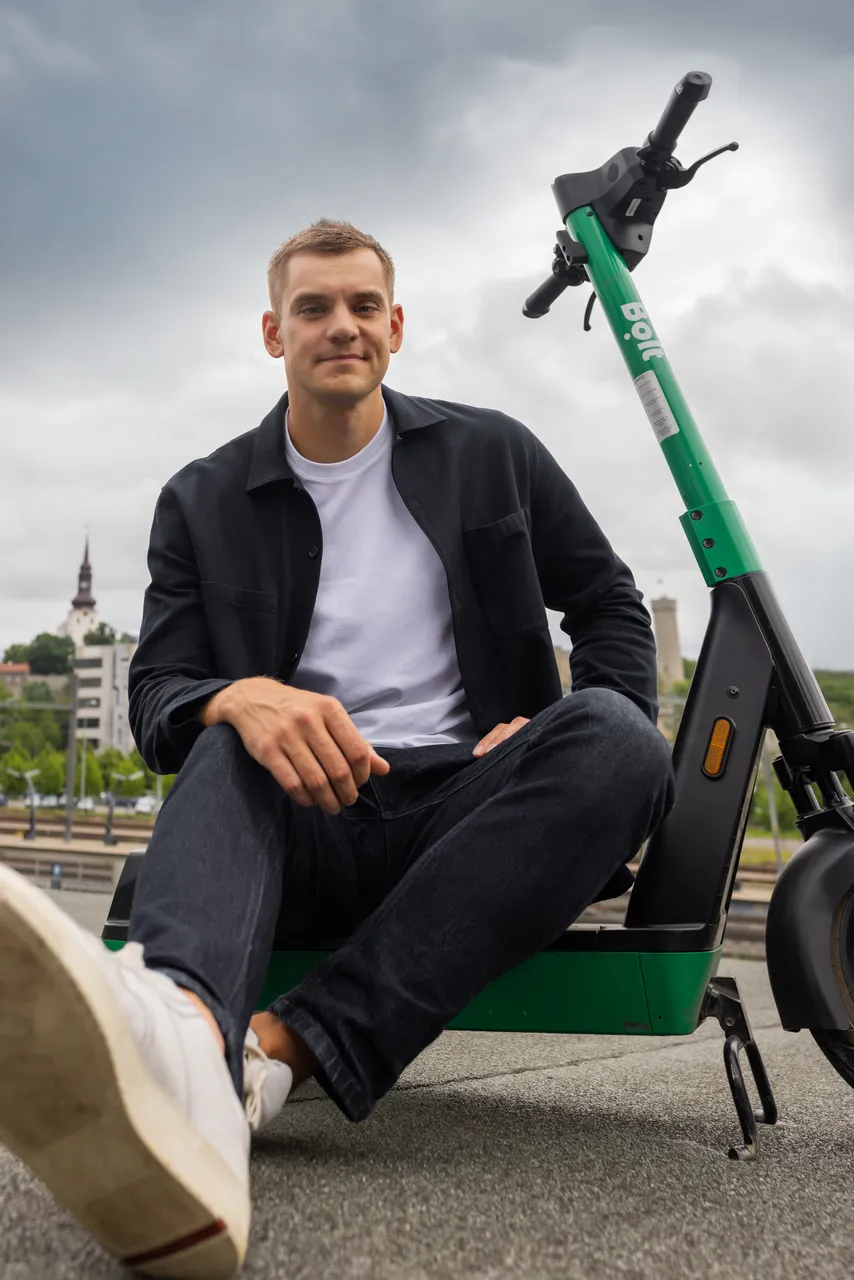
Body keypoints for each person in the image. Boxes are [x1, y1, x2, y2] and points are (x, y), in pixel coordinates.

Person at [0, 220, 675, 1278]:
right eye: (313, 308)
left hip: (468, 814)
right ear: (273, 333)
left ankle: (276, 1053)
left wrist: (555, 721)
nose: (341, 325)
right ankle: (186, 1037)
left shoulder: (490, 450)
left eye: (362, 305)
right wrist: (241, 695)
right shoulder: (200, 499)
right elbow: (157, 698)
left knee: (617, 741)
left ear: (394, 326)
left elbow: (607, 603)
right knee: (227, 740)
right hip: (306, 818)